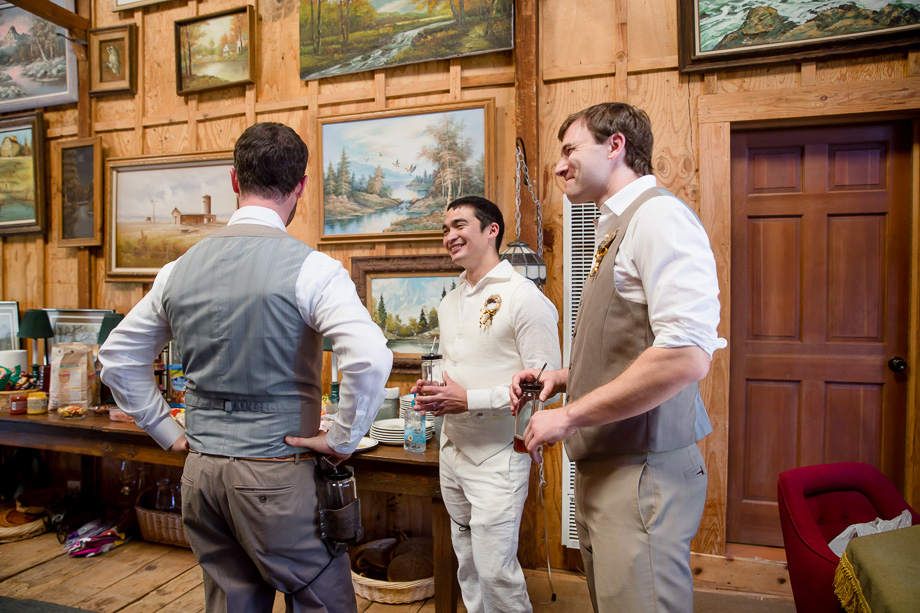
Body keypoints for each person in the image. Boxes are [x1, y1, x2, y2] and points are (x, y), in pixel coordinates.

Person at [99, 122, 392, 613]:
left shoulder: (177, 270)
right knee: (325, 602)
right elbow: (369, 357)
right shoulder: (313, 269)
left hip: (201, 474)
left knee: (232, 603)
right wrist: (342, 438)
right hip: (276, 477)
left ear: (233, 181)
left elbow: (116, 357)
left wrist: (165, 431)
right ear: (300, 186)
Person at [511, 103, 727, 613]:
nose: (558, 166)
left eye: (569, 150)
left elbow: (685, 356)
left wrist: (568, 416)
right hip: (610, 466)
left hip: (641, 472)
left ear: (615, 146)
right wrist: (565, 378)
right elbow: (632, 340)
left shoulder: (660, 218)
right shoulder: (618, 225)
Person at [412, 196, 560, 613]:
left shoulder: (525, 298)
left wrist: (468, 399)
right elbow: (461, 370)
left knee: (496, 571)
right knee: (468, 565)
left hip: (499, 457)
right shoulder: (450, 301)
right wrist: (435, 393)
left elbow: (544, 386)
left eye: (459, 225)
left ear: (491, 229)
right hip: (453, 452)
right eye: (445, 229)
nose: (449, 236)